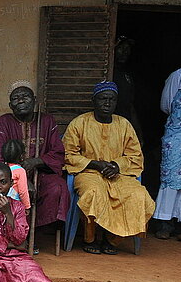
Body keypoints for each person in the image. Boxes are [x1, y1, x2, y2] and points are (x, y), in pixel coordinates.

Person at [63, 81, 155, 254]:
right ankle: (90, 238)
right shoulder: (79, 123)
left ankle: (113, 240)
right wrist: (95, 164)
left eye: (111, 99)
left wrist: (116, 165)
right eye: (102, 99)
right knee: (93, 192)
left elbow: (135, 155)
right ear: (93, 100)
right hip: (88, 171)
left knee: (138, 195)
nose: (107, 103)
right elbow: (68, 154)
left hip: (119, 174)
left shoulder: (124, 125)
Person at [0, 81, 69, 240]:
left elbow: (57, 152)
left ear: (34, 99)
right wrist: (20, 178)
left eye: (25, 96)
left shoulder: (47, 121)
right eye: (16, 98)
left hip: (41, 172)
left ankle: (33, 234)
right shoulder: (5, 121)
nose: (21, 101)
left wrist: (37, 161)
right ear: (10, 105)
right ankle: (5, 232)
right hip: (10, 174)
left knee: (58, 188)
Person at [154, 38, 181, 240]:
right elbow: (166, 105)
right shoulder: (180, 75)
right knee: (172, 179)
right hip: (178, 136)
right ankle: (165, 223)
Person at [0, 139, 30, 210]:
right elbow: (23, 192)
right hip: (10, 204)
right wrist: (27, 207)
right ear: (21, 156)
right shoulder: (20, 171)